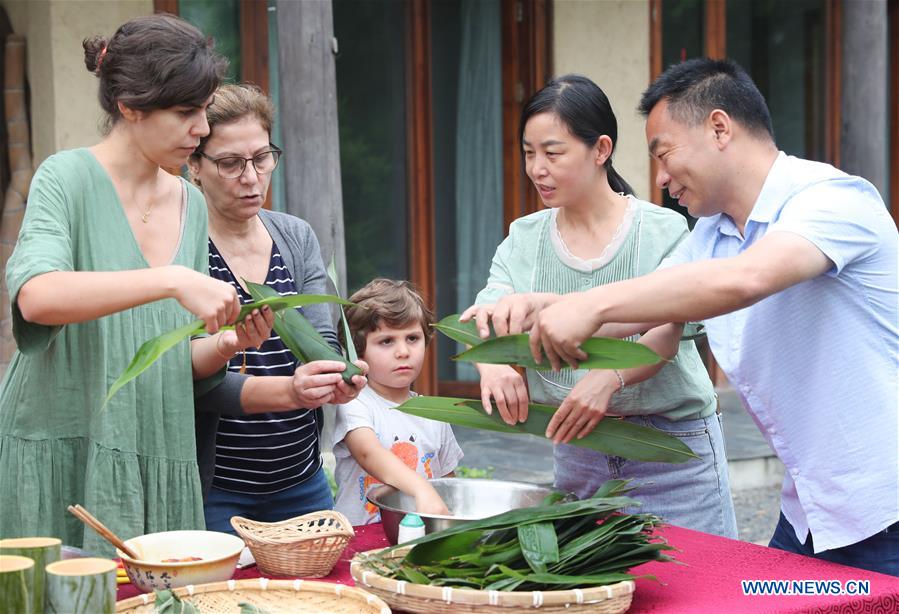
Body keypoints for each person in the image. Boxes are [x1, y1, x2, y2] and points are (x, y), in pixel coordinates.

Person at [509, 59, 897, 575]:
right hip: (811, 511)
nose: (661, 178)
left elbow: (745, 280)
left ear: (719, 128)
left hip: (883, 515)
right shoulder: (712, 235)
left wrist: (588, 307)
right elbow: (645, 303)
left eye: (664, 154)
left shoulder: (831, 200)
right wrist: (543, 310)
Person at [0, 15, 274, 555]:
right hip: (63, 444)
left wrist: (227, 344)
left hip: (156, 445)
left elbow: (171, 356)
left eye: (202, 110)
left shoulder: (190, 204)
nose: (202, 129)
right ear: (129, 106)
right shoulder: (66, 177)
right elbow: (36, 295)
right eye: (185, 113)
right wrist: (170, 279)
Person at [461, 75, 737, 537]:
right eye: (529, 153)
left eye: (552, 153)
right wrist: (494, 366)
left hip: (670, 447)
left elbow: (668, 328)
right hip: (578, 452)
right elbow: (489, 312)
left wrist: (608, 378)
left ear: (601, 149)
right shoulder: (524, 237)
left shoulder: (662, 229)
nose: (536, 168)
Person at [189, 84, 368, 532]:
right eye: (230, 163)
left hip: (301, 482)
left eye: (262, 157)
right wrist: (293, 391)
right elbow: (197, 382)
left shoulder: (295, 235)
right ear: (194, 165)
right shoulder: (184, 251)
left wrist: (336, 377)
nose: (251, 177)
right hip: (217, 489)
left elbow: (320, 340)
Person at [332, 279, 463, 525]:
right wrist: (421, 489)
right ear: (358, 353)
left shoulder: (433, 413)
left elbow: (448, 483)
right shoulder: (355, 402)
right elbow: (368, 452)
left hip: (420, 538)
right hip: (362, 537)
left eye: (412, 338)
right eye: (387, 341)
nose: (403, 351)